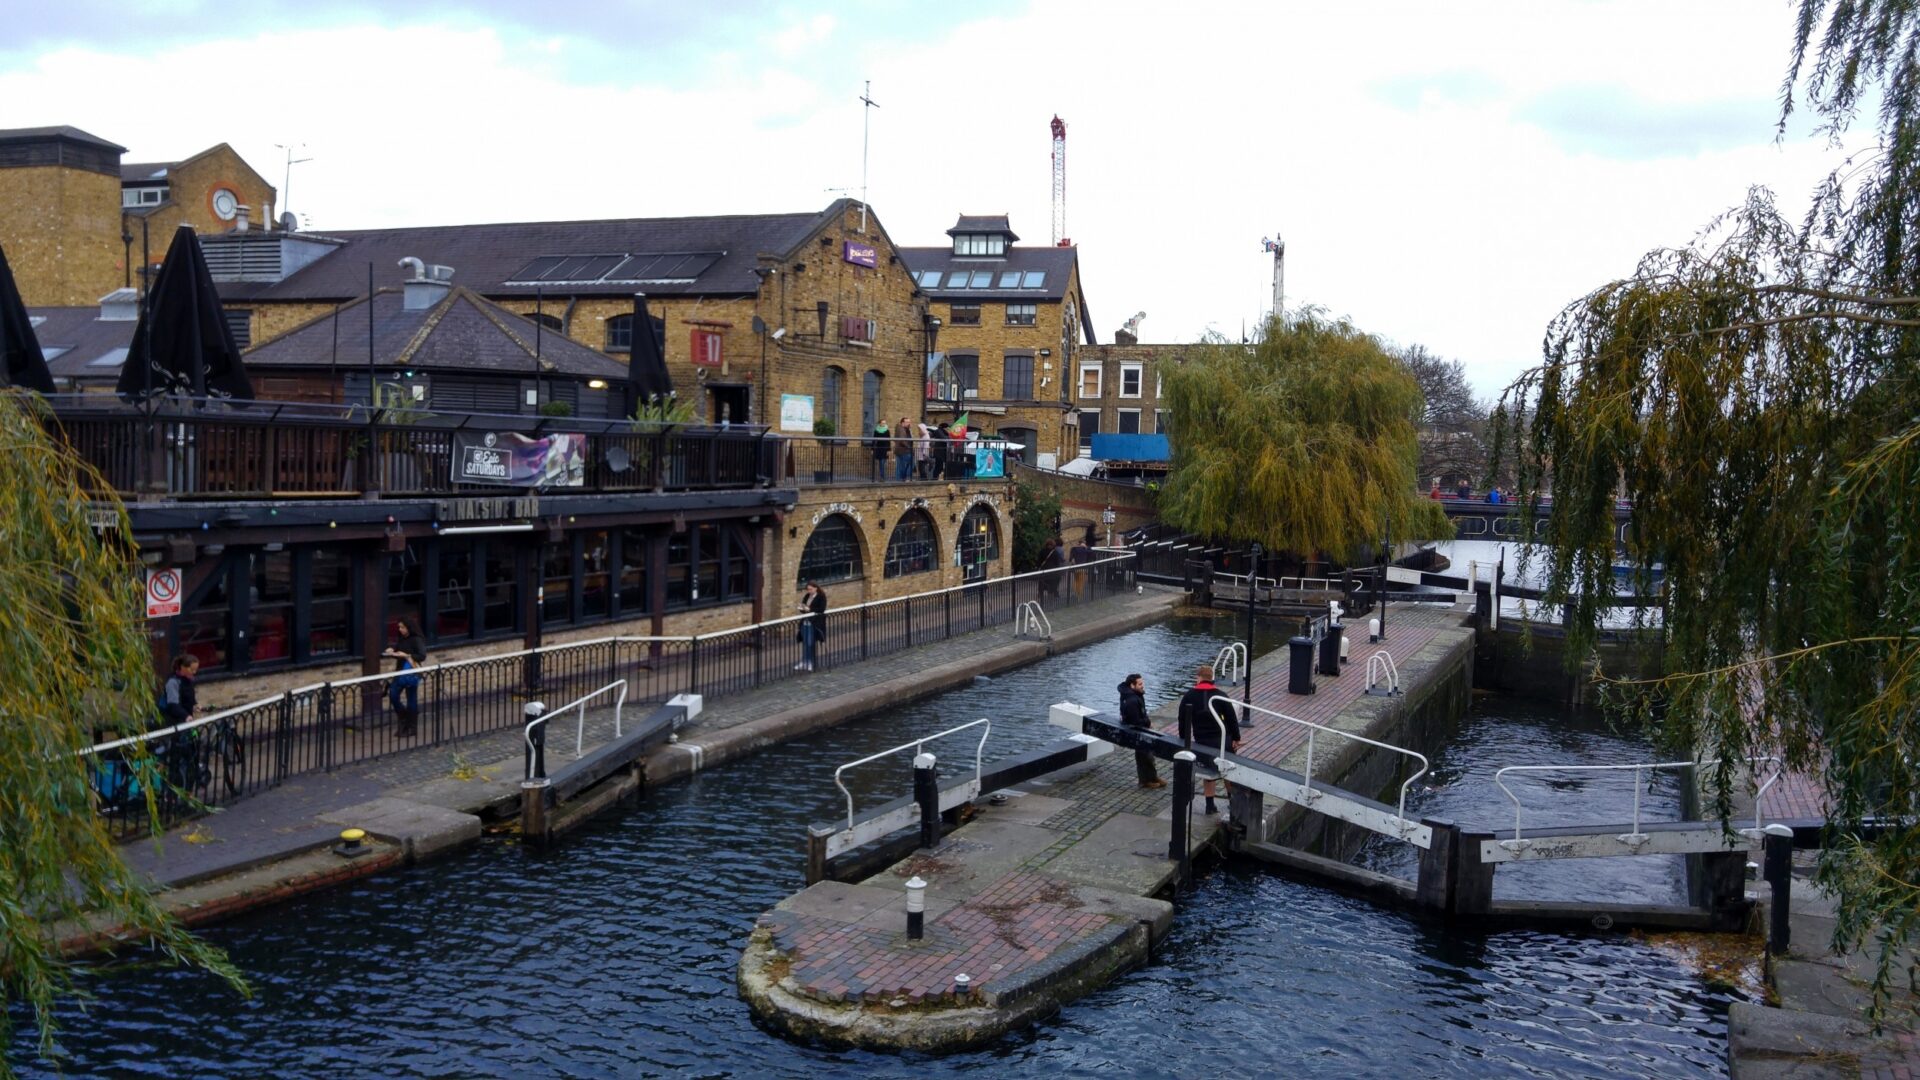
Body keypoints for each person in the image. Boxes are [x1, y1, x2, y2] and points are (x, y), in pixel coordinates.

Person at [1177, 663, 1241, 815]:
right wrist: (1236, 738)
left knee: (1208, 773)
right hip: (1223, 740)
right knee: (1229, 770)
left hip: (1202, 741)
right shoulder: (1221, 696)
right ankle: (1232, 801)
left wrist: (1182, 739)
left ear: (1198, 678)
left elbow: (1182, 719)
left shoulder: (1189, 696)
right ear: (1211, 678)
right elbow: (1232, 720)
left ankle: (1210, 805)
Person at [382, 618, 427, 736]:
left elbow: (422, 656)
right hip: (400, 671)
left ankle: (412, 727)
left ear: (409, 627)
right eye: (399, 627)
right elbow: (399, 653)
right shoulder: (402, 639)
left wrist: (407, 656)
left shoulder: (416, 639)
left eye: (402, 627)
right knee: (393, 695)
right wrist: (392, 652)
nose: (400, 629)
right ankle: (404, 720)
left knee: (411, 698)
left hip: (411, 671)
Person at [1119, 673, 1164, 788]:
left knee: (1148, 754)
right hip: (1137, 730)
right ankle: (1145, 781)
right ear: (1132, 685)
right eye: (1140, 684)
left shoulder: (1134, 695)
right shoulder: (1132, 700)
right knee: (1143, 755)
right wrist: (1147, 723)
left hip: (1141, 727)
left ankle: (1152, 777)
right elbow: (1135, 720)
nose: (1142, 686)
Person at [159, 655, 200, 727]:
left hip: (185, 720)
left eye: (196, 670)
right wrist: (185, 715)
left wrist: (194, 705)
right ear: (182, 667)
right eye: (191, 669)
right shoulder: (173, 682)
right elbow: (173, 704)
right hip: (174, 722)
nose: (194, 672)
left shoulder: (189, 681)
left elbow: (188, 698)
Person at [795, 581, 828, 671]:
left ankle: (810, 662)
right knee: (805, 643)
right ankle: (804, 661)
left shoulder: (821, 596)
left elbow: (821, 609)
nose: (809, 591)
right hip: (805, 622)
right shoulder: (807, 596)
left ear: (815, 588)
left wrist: (810, 609)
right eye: (808, 589)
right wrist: (802, 608)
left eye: (810, 589)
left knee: (810, 643)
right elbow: (804, 608)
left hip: (814, 622)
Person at [1037, 537, 1066, 603]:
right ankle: (1051, 596)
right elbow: (1057, 563)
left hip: (1043, 571)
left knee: (1042, 583)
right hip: (1052, 571)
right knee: (1052, 584)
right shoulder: (1055, 552)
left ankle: (1041, 596)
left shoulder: (1042, 551)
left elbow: (1038, 561)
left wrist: (1039, 567)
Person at [1069, 533, 1095, 600]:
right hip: (1083, 567)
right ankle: (1079, 595)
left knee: (1076, 580)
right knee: (1081, 582)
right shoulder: (1085, 549)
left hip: (1075, 568)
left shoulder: (1074, 549)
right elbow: (1092, 554)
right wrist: (1086, 547)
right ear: (1084, 543)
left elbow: (1070, 559)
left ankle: (1075, 592)